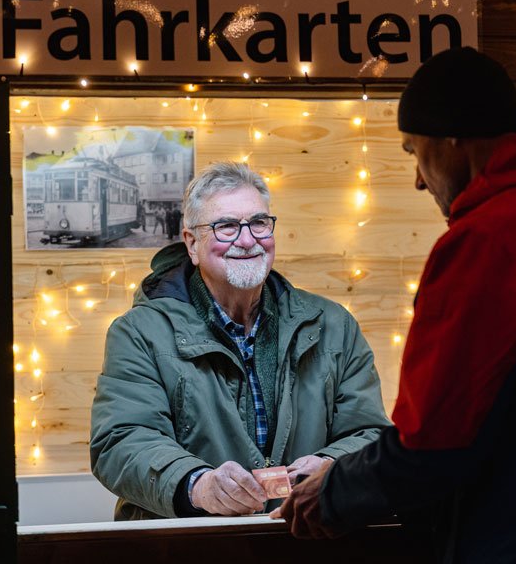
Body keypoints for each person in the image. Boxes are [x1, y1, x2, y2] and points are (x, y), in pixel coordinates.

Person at [272, 47, 516, 563]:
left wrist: (333, 491)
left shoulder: (492, 236)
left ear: (452, 138)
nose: (419, 178)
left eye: (414, 150)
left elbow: (434, 443)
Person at [90, 162, 389, 520]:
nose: (247, 241)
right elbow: (121, 442)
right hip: (190, 542)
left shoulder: (334, 325)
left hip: (305, 537)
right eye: (226, 226)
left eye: (259, 223)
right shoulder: (139, 332)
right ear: (192, 243)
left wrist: (333, 466)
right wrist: (197, 485)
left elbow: (370, 432)